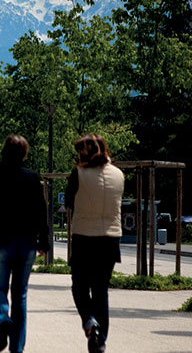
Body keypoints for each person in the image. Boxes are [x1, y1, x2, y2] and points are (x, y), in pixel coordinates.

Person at [0, 134, 50, 353]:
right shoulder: (33, 178)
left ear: (4, 151)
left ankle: (2, 317)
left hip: (1, 240)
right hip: (26, 242)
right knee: (20, 293)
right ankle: (17, 347)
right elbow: (41, 212)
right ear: (24, 153)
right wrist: (44, 240)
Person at [66, 134, 124, 353]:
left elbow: (70, 201)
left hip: (84, 237)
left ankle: (90, 322)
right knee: (101, 291)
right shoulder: (119, 174)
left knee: (79, 286)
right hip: (110, 238)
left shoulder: (79, 174)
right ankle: (101, 340)